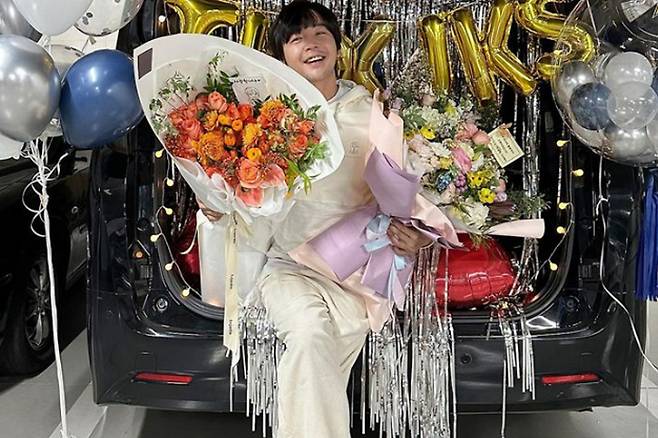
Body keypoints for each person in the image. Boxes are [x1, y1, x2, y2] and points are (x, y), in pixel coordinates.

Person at [202, 2, 431, 437]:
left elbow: (416, 196)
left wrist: (418, 235)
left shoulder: (376, 114)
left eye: (320, 34)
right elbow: (242, 195)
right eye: (296, 38)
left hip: (355, 274)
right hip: (288, 264)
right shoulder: (265, 122)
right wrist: (216, 204)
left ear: (338, 47)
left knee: (317, 363)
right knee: (308, 334)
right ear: (282, 55)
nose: (311, 44)